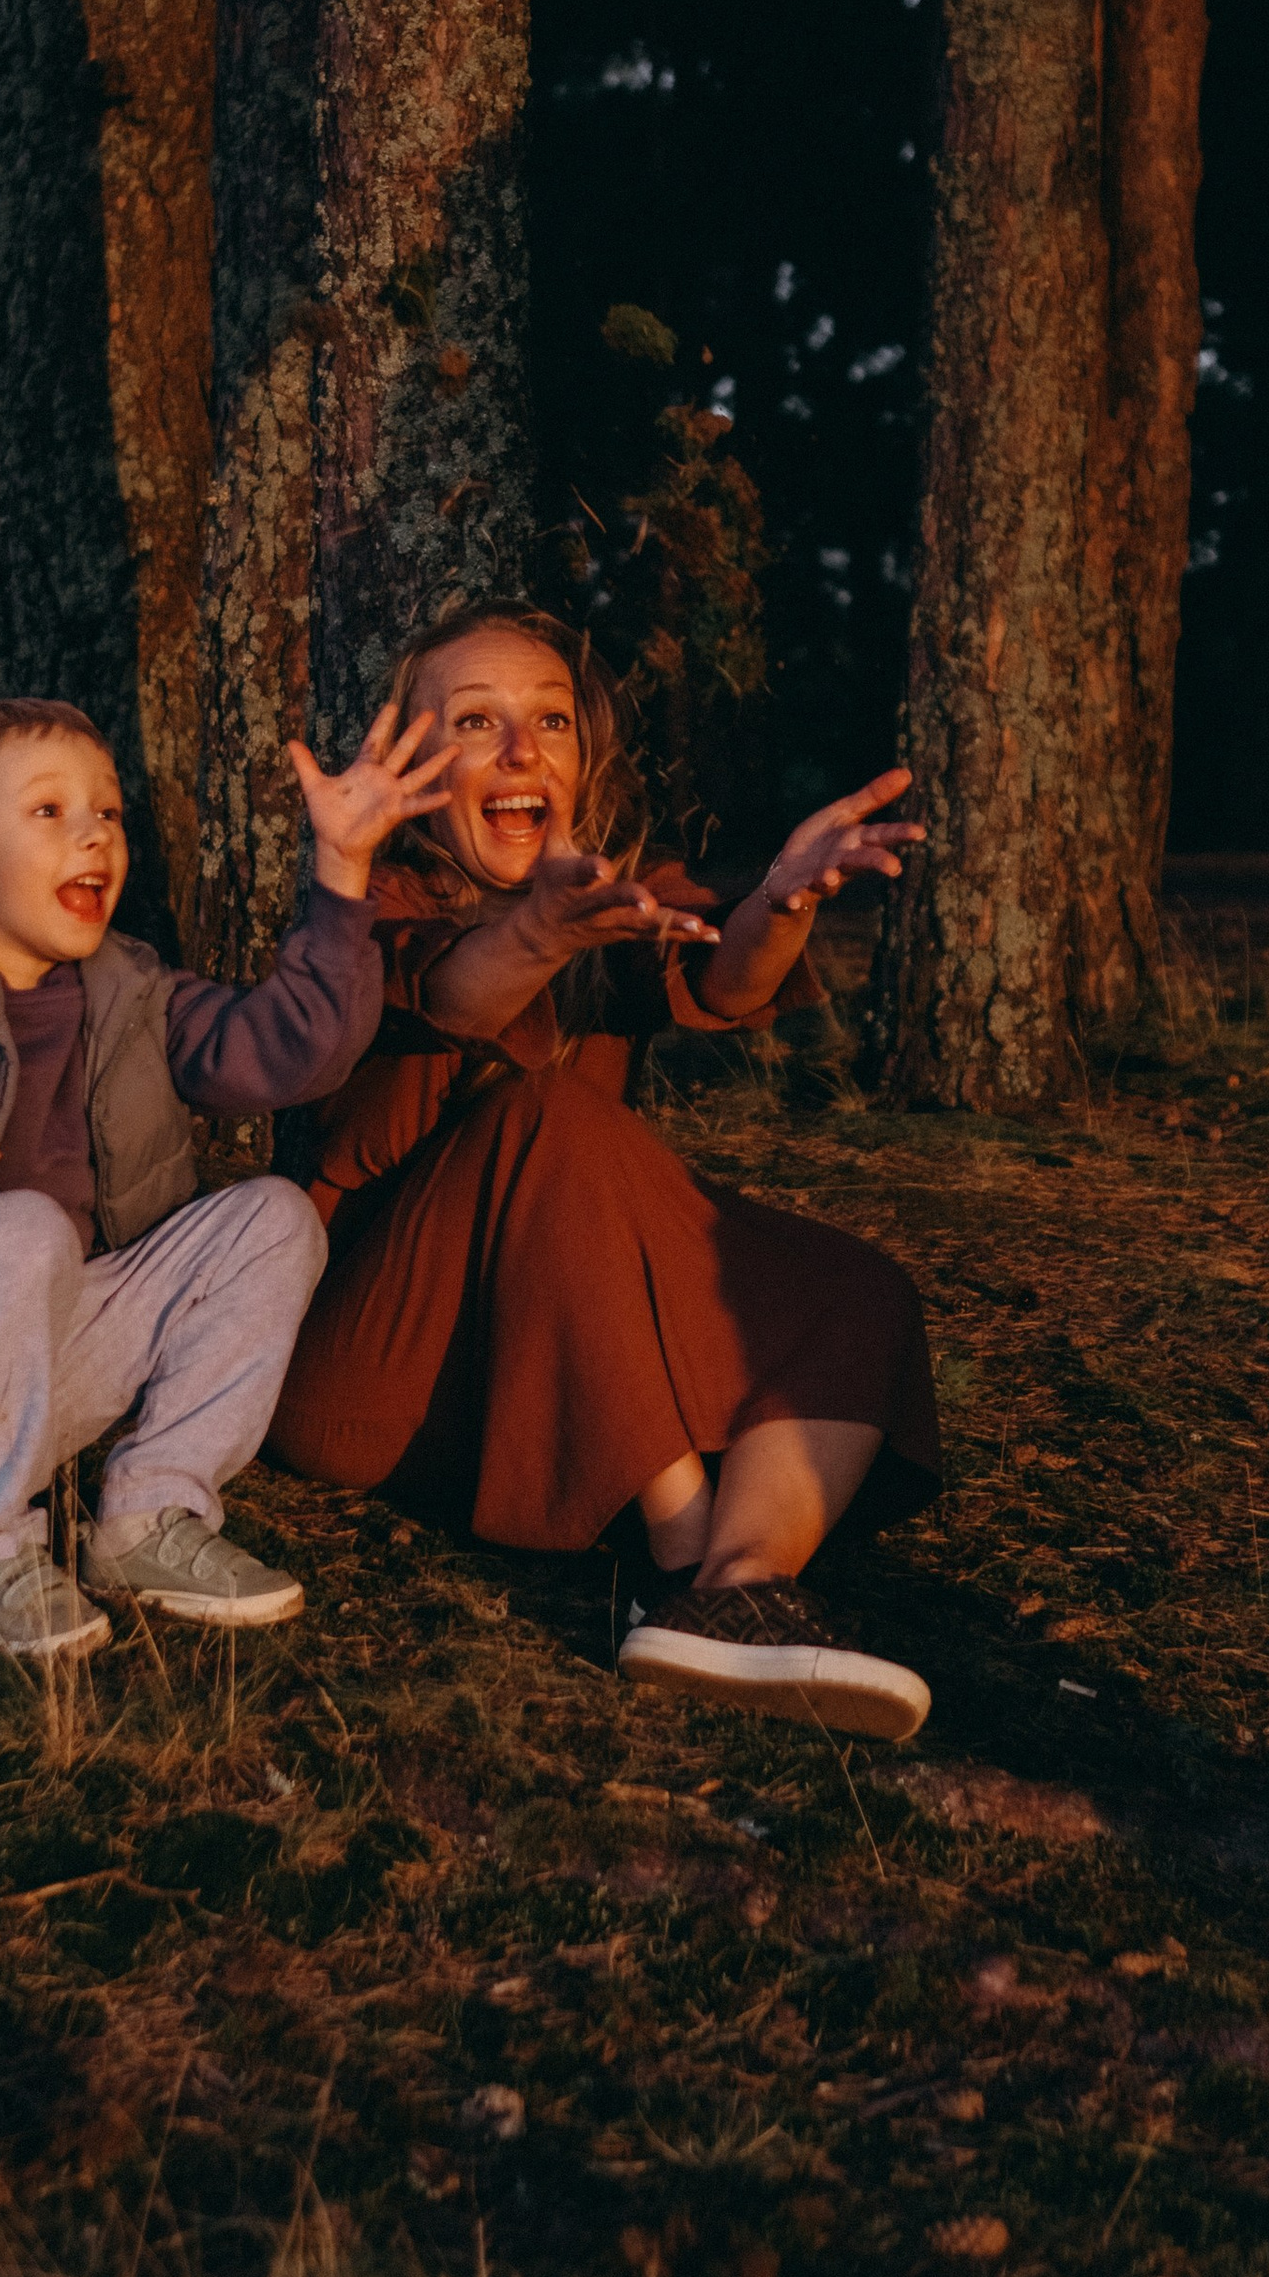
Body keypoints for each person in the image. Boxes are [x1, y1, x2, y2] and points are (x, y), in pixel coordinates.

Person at [266, 604, 944, 1740]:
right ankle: (671, 1560)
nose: (522, 751)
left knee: (854, 1289)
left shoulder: (613, 885)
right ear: (414, 766)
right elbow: (451, 996)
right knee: (549, 1120)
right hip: (368, 1379)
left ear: (587, 756)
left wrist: (782, 898)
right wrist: (541, 933)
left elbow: (725, 982)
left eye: (551, 721)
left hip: (529, 1373)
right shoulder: (367, 907)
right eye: (476, 723)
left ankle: (740, 1590)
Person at [0, 694, 447, 1663]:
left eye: (106, 813)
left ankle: (149, 1515)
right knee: (24, 1226)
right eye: (49, 812)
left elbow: (285, 1057)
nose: (94, 837)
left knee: (274, 1216)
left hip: (34, 1391)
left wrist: (342, 872)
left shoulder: (130, 990)